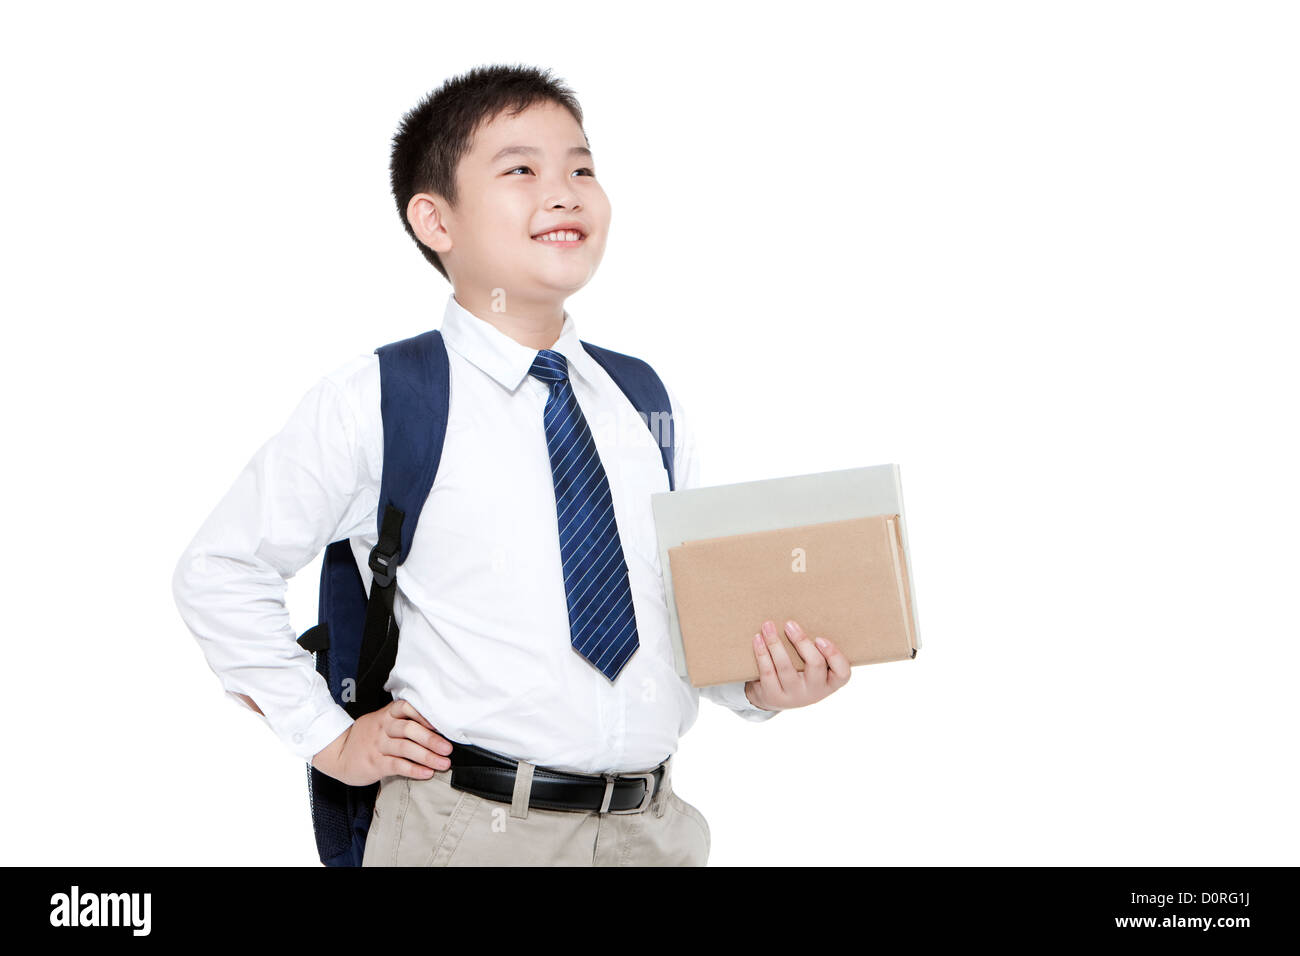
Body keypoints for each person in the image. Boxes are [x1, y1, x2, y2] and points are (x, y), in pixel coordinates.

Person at [172, 64, 850, 867]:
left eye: (582, 168)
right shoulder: (383, 398)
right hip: (466, 830)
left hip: (652, 829)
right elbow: (218, 571)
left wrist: (760, 688)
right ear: (436, 220)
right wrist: (328, 738)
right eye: (521, 169)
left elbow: (676, 616)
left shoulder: (642, 399)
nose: (564, 192)